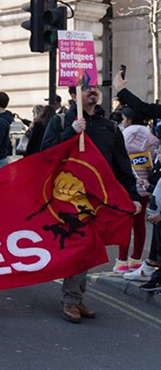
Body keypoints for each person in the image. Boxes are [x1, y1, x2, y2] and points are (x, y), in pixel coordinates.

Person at [41, 84, 141, 323]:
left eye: (96, 87)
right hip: (68, 198)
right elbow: (44, 152)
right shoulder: (62, 122)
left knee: (89, 248)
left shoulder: (110, 127)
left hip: (100, 199)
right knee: (82, 244)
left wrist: (133, 195)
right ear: (74, 95)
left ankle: (75, 296)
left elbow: (121, 164)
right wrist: (71, 133)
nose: (93, 91)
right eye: (86, 88)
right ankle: (71, 300)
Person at [114, 106, 158, 273]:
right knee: (140, 224)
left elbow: (119, 159)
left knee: (125, 224)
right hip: (145, 187)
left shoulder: (124, 134)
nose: (123, 122)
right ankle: (136, 260)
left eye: (124, 119)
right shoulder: (151, 137)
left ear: (129, 119)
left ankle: (122, 261)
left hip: (128, 186)